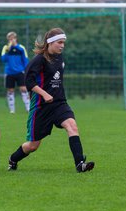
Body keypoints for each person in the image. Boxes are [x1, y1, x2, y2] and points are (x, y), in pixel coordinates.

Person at [7, 28, 95, 173]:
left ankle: (80, 164)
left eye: (64, 43)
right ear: (50, 42)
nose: (62, 46)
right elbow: (28, 82)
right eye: (60, 42)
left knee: (72, 126)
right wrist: (45, 94)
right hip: (41, 107)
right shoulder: (39, 60)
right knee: (33, 146)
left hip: (60, 103)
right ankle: (13, 159)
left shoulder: (59, 58)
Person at [1, 31, 30, 113]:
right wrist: (8, 50)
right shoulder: (5, 48)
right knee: (10, 90)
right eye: (10, 39)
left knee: (24, 89)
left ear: (16, 38)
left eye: (13, 38)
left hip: (20, 72)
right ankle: (12, 110)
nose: (11, 40)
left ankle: (28, 108)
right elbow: (3, 59)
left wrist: (26, 70)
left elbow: (25, 60)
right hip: (9, 73)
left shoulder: (21, 48)